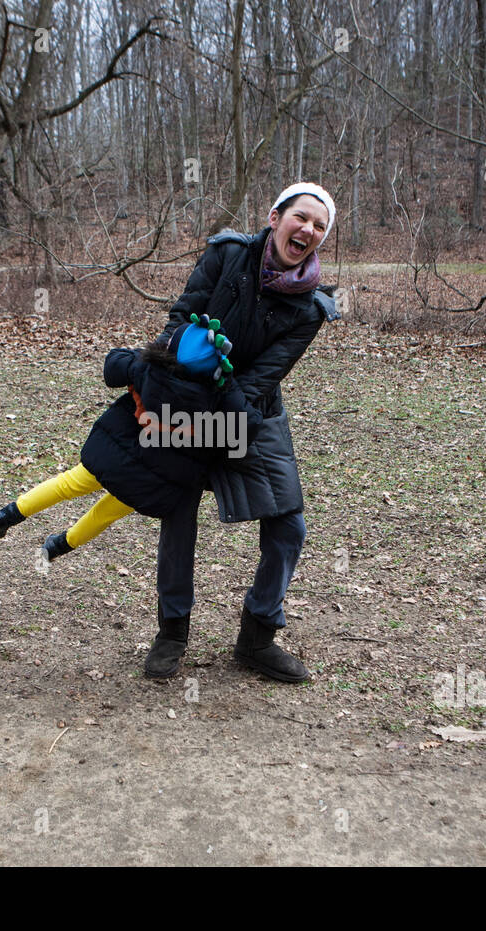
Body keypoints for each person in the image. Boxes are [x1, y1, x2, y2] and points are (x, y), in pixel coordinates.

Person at [136, 182, 340, 683]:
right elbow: (180, 317)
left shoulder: (311, 307)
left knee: (289, 525)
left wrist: (233, 404)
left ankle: (257, 637)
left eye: (319, 226)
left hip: (253, 409)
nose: (308, 229)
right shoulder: (227, 254)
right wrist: (191, 349)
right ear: (275, 217)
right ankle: (172, 632)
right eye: (302, 217)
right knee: (178, 510)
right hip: (187, 397)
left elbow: (266, 373)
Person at [0, 314, 252, 563]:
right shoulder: (213, 400)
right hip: (152, 482)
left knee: (66, 484)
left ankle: (7, 516)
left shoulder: (148, 369)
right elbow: (248, 425)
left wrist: (145, 358)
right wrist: (227, 385)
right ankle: (57, 547)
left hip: (115, 456)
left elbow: (113, 364)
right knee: (105, 514)